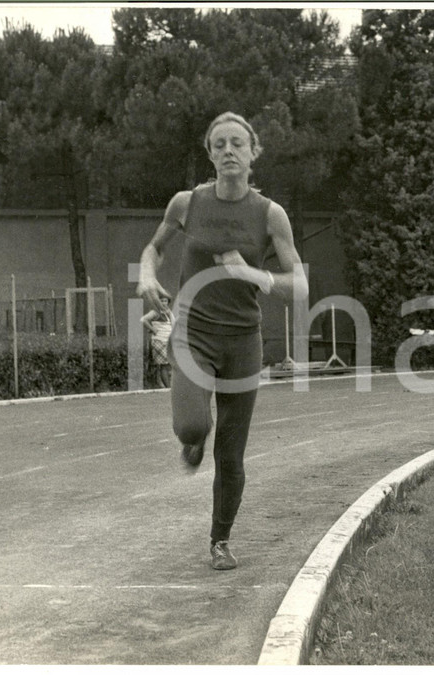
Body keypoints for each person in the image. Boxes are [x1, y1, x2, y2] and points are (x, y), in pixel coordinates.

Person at [136, 111, 307, 571]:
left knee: (230, 451)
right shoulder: (186, 204)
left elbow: (300, 285)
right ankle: (192, 440)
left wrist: (250, 273)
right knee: (193, 428)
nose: (228, 151)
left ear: (253, 153)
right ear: (209, 154)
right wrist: (148, 274)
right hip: (193, 331)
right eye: (219, 145)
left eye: (237, 143)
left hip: (243, 342)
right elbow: (154, 248)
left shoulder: (270, 215)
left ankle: (220, 540)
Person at [141, 298, 174, 388]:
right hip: (159, 341)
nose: (163, 303)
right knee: (164, 365)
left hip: (167, 341)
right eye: (161, 301)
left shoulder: (167, 312)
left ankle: (163, 384)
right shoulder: (155, 312)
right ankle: (168, 388)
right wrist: (152, 329)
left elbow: (174, 325)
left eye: (165, 301)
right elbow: (143, 320)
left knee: (168, 365)